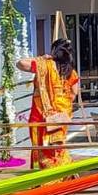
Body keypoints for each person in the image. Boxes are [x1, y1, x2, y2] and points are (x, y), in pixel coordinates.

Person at [17, 39, 79, 170]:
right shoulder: (71, 72)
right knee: (58, 146)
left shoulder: (44, 65)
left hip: (41, 115)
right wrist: (61, 105)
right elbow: (74, 93)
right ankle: (62, 173)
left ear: (54, 51)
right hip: (61, 117)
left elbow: (20, 63)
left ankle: (48, 178)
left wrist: (41, 58)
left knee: (43, 147)